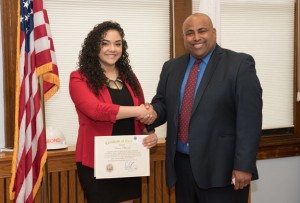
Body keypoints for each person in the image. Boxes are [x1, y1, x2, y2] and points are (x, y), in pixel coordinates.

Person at [146, 13, 263, 203]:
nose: (196, 38)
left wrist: (243, 165)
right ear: (184, 37)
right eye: (189, 33)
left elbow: (250, 119)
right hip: (182, 168)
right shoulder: (171, 67)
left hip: (223, 171)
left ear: (214, 32)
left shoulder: (239, 64)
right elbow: (163, 104)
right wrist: (149, 113)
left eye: (202, 31)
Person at [69, 21, 158, 203]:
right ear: (95, 47)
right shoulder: (79, 78)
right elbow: (96, 111)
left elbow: (141, 115)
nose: (113, 49)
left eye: (118, 44)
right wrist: (138, 110)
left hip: (128, 159)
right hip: (96, 161)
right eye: (105, 43)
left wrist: (149, 133)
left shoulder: (129, 77)